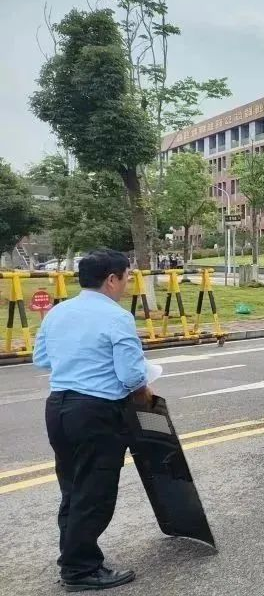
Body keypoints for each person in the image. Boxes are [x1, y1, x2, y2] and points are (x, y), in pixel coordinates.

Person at [33, 249, 151, 591]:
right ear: (111, 279)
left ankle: (71, 554)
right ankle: (80, 568)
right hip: (96, 412)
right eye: (126, 276)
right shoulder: (116, 317)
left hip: (58, 408)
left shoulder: (57, 312)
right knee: (95, 491)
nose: (128, 283)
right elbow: (131, 375)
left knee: (72, 487)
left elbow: (41, 358)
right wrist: (143, 389)